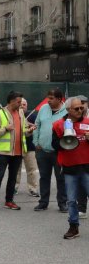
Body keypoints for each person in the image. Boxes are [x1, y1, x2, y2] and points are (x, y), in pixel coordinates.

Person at [0, 91, 36, 212]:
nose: (20, 104)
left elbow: (24, 131)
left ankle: (9, 201)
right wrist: (5, 129)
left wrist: (29, 131)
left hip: (18, 152)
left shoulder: (21, 113)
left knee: (13, 178)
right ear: (12, 101)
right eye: (18, 102)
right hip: (3, 152)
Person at [52, 97, 89, 239]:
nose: (80, 110)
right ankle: (74, 227)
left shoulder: (87, 122)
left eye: (82, 107)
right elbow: (54, 145)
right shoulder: (58, 125)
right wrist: (66, 139)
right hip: (70, 168)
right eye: (77, 108)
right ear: (68, 110)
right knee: (71, 200)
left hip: (86, 167)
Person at [33, 88, 68, 212]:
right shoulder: (43, 109)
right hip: (42, 150)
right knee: (44, 177)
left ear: (59, 99)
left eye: (51, 98)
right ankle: (43, 203)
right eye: (48, 98)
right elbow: (37, 125)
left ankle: (62, 203)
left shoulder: (67, 111)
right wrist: (36, 142)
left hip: (59, 151)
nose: (48, 101)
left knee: (61, 179)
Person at [15, 98, 39, 197]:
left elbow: (37, 126)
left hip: (30, 146)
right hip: (16, 146)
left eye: (24, 104)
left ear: (27, 106)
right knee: (16, 169)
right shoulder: (14, 115)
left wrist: (31, 126)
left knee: (32, 169)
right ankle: (14, 188)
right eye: (20, 104)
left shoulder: (33, 115)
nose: (22, 106)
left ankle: (33, 189)